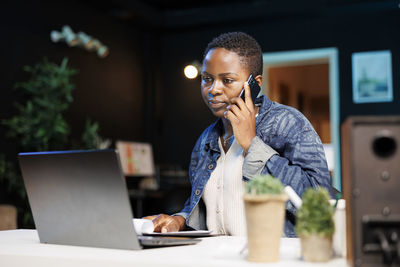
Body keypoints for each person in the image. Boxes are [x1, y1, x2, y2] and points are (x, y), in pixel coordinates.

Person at [147, 32, 331, 237]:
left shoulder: (287, 123)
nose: (213, 89)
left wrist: (252, 145)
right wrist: (179, 220)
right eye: (207, 79)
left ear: (255, 83)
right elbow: (201, 207)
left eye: (227, 80)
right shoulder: (206, 141)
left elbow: (319, 201)